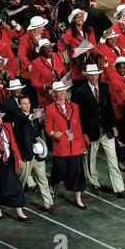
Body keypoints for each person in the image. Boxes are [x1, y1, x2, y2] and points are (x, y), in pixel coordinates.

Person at [72, 64, 125, 199]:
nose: (93, 77)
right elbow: (78, 116)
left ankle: (119, 188)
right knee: (91, 159)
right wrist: (83, 133)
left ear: (99, 75)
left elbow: (109, 107)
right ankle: (95, 183)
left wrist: (113, 125)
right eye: (91, 75)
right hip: (91, 132)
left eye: (96, 74)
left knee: (113, 158)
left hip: (106, 129)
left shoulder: (104, 87)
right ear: (86, 76)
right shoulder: (80, 92)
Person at [45, 81, 87, 210]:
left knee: (78, 173)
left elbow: (78, 127)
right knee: (60, 171)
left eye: (64, 91)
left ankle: (78, 199)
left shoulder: (75, 106)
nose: (62, 93)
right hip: (61, 146)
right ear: (55, 93)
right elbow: (47, 127)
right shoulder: (50, 108)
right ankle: (53, 185)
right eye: (59, 91)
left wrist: (83, 145)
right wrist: (53, 133)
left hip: (75, 145)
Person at [13, 94, 56, 214]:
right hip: (26, 155)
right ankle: (18, 206)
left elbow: (37, 131)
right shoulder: (18, 115)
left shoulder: (35, 115)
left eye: (28, 103)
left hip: (37, 153)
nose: (27, 105)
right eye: (24, 103)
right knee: (21, 181)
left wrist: (39, 141)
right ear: (19, 105)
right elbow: (24, 120)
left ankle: (49, 204)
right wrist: (32, 116)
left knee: (43, 179)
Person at [0, 107, 27, 221]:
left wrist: (18, 158)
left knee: (16, 186)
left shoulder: (7, 127)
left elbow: (13, 144)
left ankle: (19, 212)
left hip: (7, 161)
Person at [57, 8, 100, 95]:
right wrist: (60, 36)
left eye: (82, 17)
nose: (81, 19)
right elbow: (60, 49)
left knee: (91, 92)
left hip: (90, 65)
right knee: (78, 93)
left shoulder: (89, 30)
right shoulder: (68, 33)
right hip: (77, 68)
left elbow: (93, 46)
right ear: (73, 19)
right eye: (78, 17)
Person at [107, 56, 125, 167]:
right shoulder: (113, 78)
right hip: (117, 112)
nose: (122, 69)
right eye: (120, 67)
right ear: (117, 68)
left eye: (124, 67)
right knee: (119, 135)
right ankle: (121, 157)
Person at [18, 16, 50, 106]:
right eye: (42, 26)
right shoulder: (24, 38)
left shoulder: (45, 34)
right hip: (30, 72)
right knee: (33, 97)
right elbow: (21, 55)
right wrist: (29, 65)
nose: (44, 28)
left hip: (43, 68)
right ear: (36, 29)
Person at [30, 39, 66, 108]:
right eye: (46, 49)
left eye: (50, 47)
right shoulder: (36, 63)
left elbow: (63, 69)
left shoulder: (56, 55)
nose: (49, 50)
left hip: (60, 92)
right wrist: (46, 86)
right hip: (46, 96)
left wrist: (65, 77)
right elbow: (34, 82)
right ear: (41, 51)